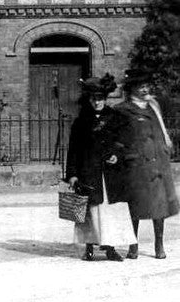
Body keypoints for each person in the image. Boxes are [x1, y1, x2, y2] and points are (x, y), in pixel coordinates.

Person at [64, 74, 133, 261]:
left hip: (111, 174)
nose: (97, 102)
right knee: (90, 211)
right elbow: (74, 150)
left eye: (100, 98)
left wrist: (116, 155)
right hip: (89, 171)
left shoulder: (115, 117)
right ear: (89, 99)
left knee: (111, 212)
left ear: (105, 99)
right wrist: (72, 174)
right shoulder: (81, 122)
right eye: (93, 99)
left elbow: (125, 141)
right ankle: (89, 248)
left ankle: (110, 248)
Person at [113, 69, 178, 259]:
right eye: (141, 86)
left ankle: (159, 244)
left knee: (159, 207)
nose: (145, 89)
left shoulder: (153, 107)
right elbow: (114, 138)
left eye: (147, 85)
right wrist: (124, 154)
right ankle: (133, 245)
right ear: (132, 88)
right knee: (135, 206)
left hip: (158, 163)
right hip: (136, 165)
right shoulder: (122, 110)